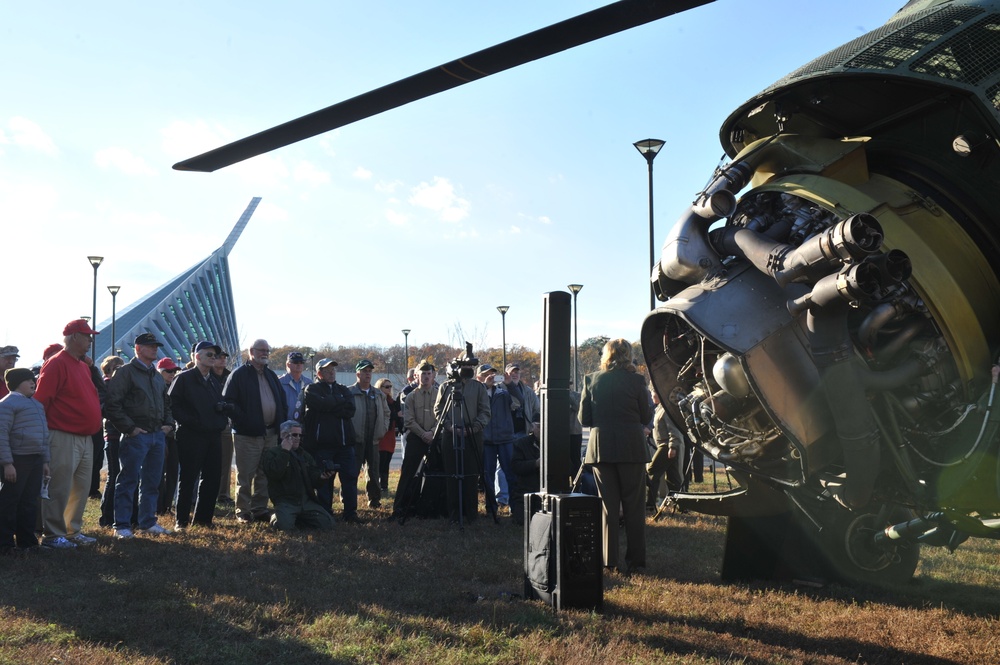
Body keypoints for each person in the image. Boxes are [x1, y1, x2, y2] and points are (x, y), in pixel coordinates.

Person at [579, 338, 653, 574]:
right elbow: (645, 415)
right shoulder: (637, 380)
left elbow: (585, 419)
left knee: (608, 508)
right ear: (628, 354)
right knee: (635, 507)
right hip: (631, 447)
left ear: (606, 355)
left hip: (602, 448)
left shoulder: (591, 380)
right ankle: (636, 562)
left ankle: (609, 561)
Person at [33, 320, 103, 549]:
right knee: (60, 487)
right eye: (87, 336)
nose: (91, 341)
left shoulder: (82, 365)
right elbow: (41, 402)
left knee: (81, 487)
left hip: (85, 436)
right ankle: (53, 536)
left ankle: (72, 530)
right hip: (62, 435)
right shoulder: (56, 363)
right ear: (74, 337)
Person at [105, 333, 175, 539]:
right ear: (138, 348)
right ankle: (122, 525)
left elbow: (166, 403)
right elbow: (112, 404)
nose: (154, 349)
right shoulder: (125, 372)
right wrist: (130, 429)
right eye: (150, 346)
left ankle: (147, 522)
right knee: (128, 480)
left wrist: (168, 424)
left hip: (156, 435)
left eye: (156, 346)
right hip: (137, 436)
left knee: (152, 482)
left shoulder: (155, 374)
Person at [222, 339, 287, 524]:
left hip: (270, 433)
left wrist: (279, 424)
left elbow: (281, 401)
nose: (265, 353)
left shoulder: (272, 375)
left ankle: (260, 509)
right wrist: (244, 420)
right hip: (247, 434)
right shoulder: (238, 375)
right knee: (245, 475)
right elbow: (228, 403)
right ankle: (242, 511)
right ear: (251, 351)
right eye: (261, 350)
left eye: (267, 350)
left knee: (265, 474)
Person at [168, 342, 229, 530]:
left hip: (212, 436)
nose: (213, 358)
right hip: (191, 435)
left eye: (215, 355)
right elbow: (172, 404)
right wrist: (191, 422)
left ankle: (203, 519)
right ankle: (182, 521)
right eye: (209, 354)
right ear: (197, 357)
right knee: (188, 479)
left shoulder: (213, 381)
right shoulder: (184, 378)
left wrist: (221, 420)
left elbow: (221, 404)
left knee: (212, 478)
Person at [301, 358, 359, 522]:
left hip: (345, 444)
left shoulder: (343, 389)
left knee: (349, 479)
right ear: (319, 373)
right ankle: (326, 513)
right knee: (325, 482)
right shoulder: (311, 389)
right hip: (323, 446)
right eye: (327, 371)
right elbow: (317, 404)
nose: (331, 373)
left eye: (333, 370)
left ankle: (350, 514)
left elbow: (350, 410)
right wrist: (335, 403)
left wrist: (328, 405)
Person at [433, 360, 490, 524]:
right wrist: (450, 427)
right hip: (451, 435)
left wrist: (474, 428)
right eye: (465, 366)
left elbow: (485, 411)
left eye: (470, 367)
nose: (468, 369)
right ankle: (454, 513)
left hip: (473, 435)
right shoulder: (446, 386)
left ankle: (471, 514)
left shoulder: (479, 387)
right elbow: (438, 410)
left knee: (471, 475)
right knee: (452, 474)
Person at [0, 368, 49, 554]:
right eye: (27, 380)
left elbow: (43, 436)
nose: (33, 382)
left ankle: (27, 542)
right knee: (10, 501)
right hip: (17, 460)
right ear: (15, 383)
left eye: (33, 379)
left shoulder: (36, 405)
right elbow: (1, 435)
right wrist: (7, 463)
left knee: (29, 501)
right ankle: (4, 544)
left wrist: (45, 461)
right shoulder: (7, 404)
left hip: (35, 460)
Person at [262, 420, 337, 531]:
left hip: (306, 501)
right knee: (284, 527)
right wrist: (285, 452)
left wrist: (322, 477)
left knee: (328, 524)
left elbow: (313, 476)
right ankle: (277, 517)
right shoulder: (272, 453)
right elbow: (275, 473)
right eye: (294, 435)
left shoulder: (305, 455)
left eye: (300, 435)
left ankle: (299, 518)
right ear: (283, 435)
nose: (298, 438)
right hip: (286, 501)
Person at [392, 361, 439, 520]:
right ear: (416, 376)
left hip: (434, 438)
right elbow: (408, 421)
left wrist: (432, 433)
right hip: (416, 438)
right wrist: (423, 434)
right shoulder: (410, 396)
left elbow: (441, 418)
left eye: (428, 374)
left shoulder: (440, 395)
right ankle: (400, 508)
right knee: (408, 474)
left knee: (434, 474)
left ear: (433, 376)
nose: (426, 377)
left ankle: (428, 508)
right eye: (422, 374)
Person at [477, 364, 516, 520]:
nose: (491, 377)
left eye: (493, 374)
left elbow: (519, 401)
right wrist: (485, 388)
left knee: (511, 474)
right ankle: (491, 509)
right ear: (479, 377)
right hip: (487, 440)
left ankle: (515, 507)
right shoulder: (477, 393)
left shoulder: (503, 392)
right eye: (487, 375)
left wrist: (510, 385)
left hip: (505, 439)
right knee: (487, 476)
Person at [349, 359, 390, 509]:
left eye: (370, 371)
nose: (368, 374)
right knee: (351, 472)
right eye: (365, 371)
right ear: (357, 373)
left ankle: (374, 500)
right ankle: (347, 500)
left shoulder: (378, 394)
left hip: (373, 440)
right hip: (356, 440)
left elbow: (387, 413)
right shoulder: (349, 393)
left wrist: (383, 429)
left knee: (373, 472)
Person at [99, 355, 126, 528]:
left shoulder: (120, 385)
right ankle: (107, 517)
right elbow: (106, 409)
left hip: (124, 435)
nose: (120, 369)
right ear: (108, 369)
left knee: (123, 475)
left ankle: (120, 514)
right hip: (114, 435)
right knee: (114, 474)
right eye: (117, 367)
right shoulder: (107, 385)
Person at [646, 387, 685, 510]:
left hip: (667, 446)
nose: (652, 398)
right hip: (666, 446)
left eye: (653, 395)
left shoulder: (666, 410)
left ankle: (651, 504)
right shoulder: (660, 408)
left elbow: (674, 431)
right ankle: (681, 505)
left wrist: (672, 447)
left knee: (652, 471)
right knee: (673, 477)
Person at [156, 357, 183, 516]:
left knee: (173, 472)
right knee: (158, 472)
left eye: (174, 371)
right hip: (160, 434)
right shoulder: (157, 388)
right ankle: (157, 507)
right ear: (160, 371)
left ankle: (167, 506)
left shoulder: (176, 388)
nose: (172, 374)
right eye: (168, 371)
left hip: (173, 435)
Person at [214, 349, 235, 506]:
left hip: (226, 425)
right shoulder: (207, 377)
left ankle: (223, 494)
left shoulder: (230, 376)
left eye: (224, 358)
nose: (222, 360)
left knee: (226, 462)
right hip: (208, 425)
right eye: (219, 357)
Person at [374, 378, 398, 494]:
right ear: (380, 387)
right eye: (386, 386)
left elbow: (398, 417)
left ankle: (384, 486)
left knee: (387, 462)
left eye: (390, 386)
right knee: (380, 462)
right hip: (381, 435)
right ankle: (377, 486)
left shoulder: (393, 402)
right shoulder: (377, 400)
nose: (389, 389)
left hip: (390, 435)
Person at [279, 351, 312, 422]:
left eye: (301, 362)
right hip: (285, 425)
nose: (299, 364)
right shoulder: (279, 383)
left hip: (304, 426)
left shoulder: (309, 383)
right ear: (288, 364)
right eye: (295, 362)